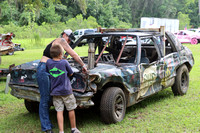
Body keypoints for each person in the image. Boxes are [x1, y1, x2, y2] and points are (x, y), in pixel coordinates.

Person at [36, 29, 87, 133]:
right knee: (45, 99)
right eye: (69, 39)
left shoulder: (55, 43)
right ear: (64, 35)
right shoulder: (61, 41)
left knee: (50, 97)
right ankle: (46, 128)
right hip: (44, 68)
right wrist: (83, 65)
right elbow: (74, 55)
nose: (68, 42)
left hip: (46, 67)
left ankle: (49, 124)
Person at [46, 44, 80, 133]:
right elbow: (71, 73)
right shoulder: (64, 62)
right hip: (66, 91)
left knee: (59, 111)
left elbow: (49, 71)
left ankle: (61, 131)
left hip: (55, 91)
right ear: (61, 54)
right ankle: (73, 129)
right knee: (71, 109)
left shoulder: (49, 62)